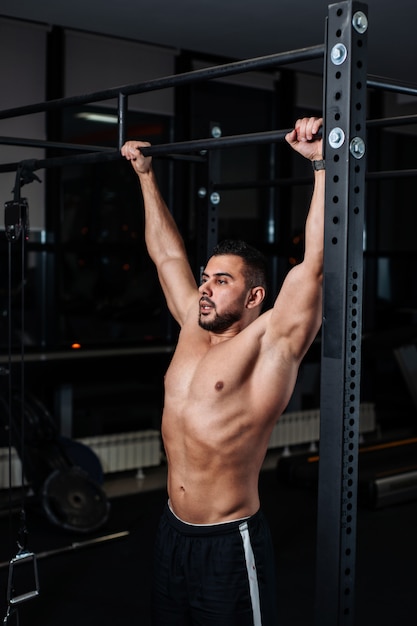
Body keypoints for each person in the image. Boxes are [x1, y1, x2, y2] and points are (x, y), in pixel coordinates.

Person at [121, 116, 324, 626]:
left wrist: (323, 164)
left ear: (255, 296)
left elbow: (317, 264)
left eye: (222, 280)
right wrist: (146, 176)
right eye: (207, 277)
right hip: (171, 534)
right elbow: (167, 256)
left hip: (228, 544)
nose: (206, 288)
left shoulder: (271, 343)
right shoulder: (194, 326)